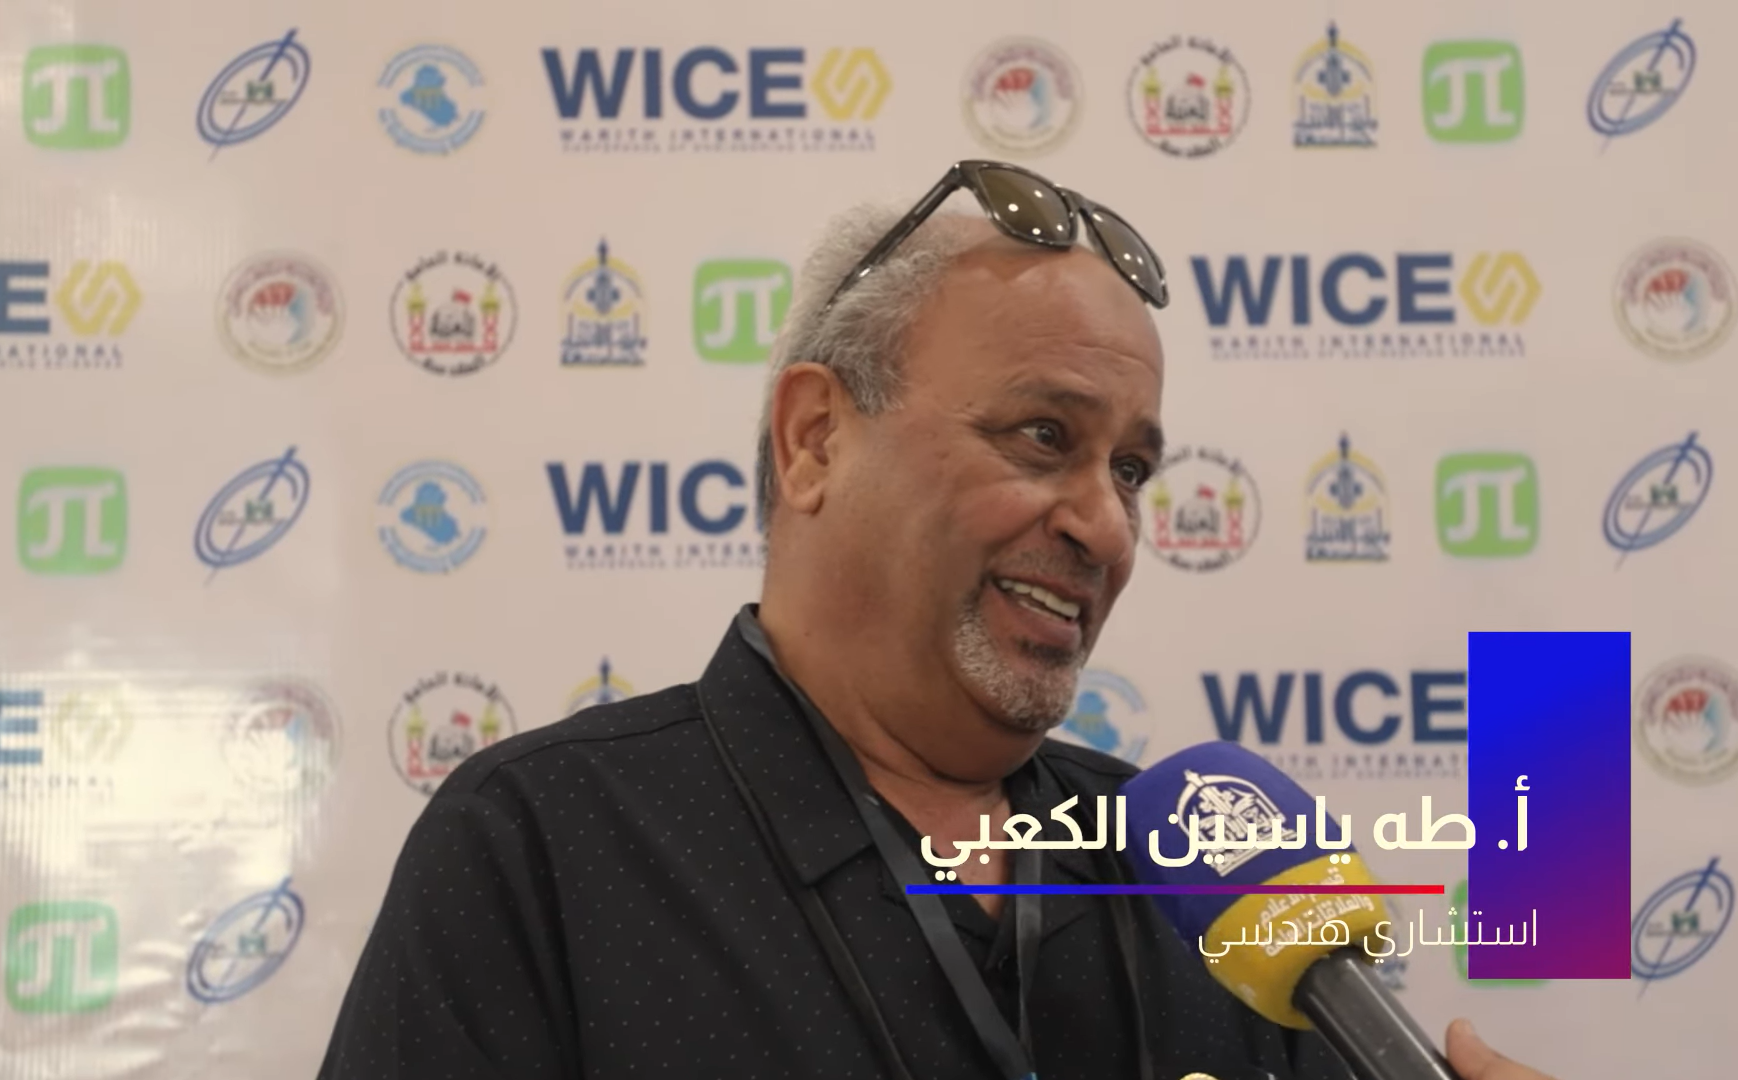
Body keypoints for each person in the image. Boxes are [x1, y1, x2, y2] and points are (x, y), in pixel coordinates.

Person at [317, 161, 1558, 1080]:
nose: (1108, 527)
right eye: (1043, 436)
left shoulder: (1200, 871)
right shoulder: (542, 845)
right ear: (815, 439)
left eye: (1131, 470)